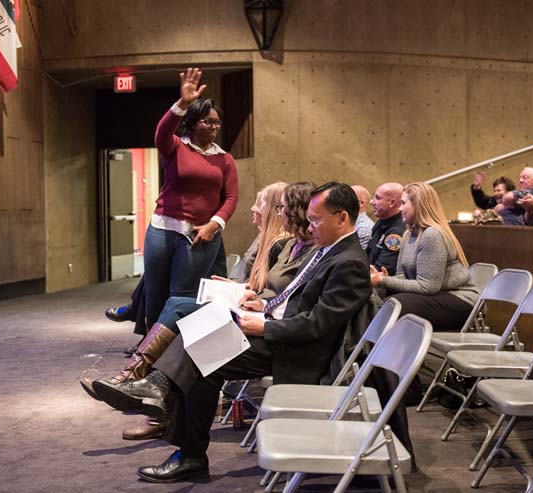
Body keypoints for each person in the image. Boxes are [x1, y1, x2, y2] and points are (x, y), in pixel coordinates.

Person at [93, 182, 372, 483]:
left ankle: (185, 443)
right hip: (284, 334)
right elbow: (297, 301)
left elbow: (319, 325)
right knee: (197, 332)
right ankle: (161, 394)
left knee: (201, 358)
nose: (310, 225)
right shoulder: (330, 251)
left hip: (299, 352)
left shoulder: (350, 262)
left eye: (316, 219)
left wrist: (265, 325)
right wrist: (264, 306)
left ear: (342, 218)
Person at [143, 67, 238, 329]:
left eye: (217, 123)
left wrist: (214, 224)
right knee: (155, 293)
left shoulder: (224, 159)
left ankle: (173, 350)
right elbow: (161, 132)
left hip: (200, 234)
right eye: (207, 121)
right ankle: (148, 348)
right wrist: (182, 103)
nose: (213, 127)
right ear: (193, 122)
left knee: (182, 296)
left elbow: (230, 197)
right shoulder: (175, 146)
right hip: (163, 229)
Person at [370, 182, 478, 331]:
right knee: (381, 299)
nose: (400, 208)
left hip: (459, 300)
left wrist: (383, 280)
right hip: (436, 296)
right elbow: (403, 276)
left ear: (418, 205)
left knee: (393, 305)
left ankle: (382, 352)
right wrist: (386, 280)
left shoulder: (432, 235)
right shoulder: (408, 234)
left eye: (403, 203)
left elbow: (428, 286)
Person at [366, 182, 405, 275]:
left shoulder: (396, 232)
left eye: (378, 198)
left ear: (391, 203)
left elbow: (383, 270)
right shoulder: (381, 221)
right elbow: (367, 254)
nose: (372, 202)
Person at [351, 184, 375, 249]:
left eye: (348, 198)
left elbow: (356, 257)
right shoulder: (351, 221)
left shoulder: (363, 228)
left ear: (361, 203)